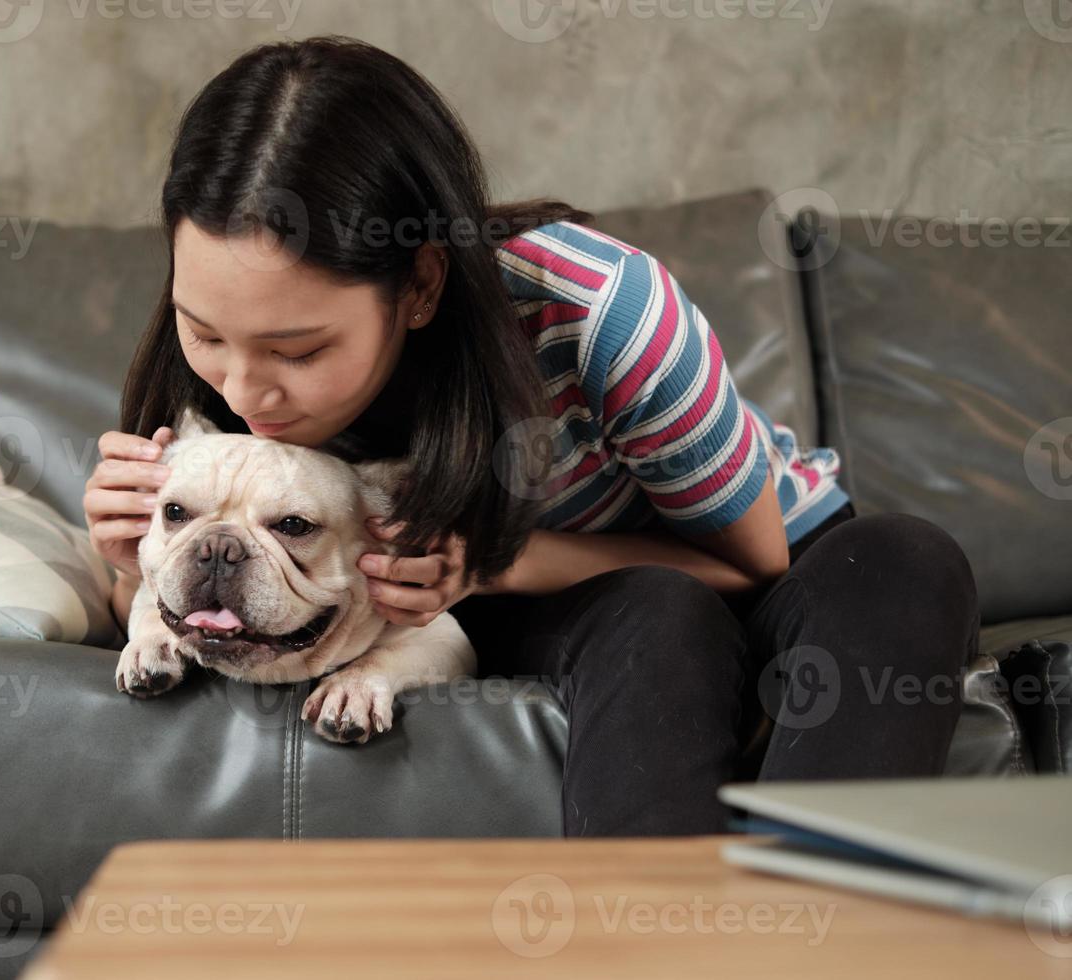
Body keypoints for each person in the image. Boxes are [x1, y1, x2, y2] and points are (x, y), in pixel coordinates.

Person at [82, 35, 981, 836]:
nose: (243, 390)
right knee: (656, 619)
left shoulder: (600, 311)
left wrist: (491, 561)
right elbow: (200, 603)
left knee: (906, 558)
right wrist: (131, 559)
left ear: (422, 285)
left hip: (758, 563)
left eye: (299, 349)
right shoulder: (210, 389)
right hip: (590, 614)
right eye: (203, 333)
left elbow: (757, 566)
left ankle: (828, 933)